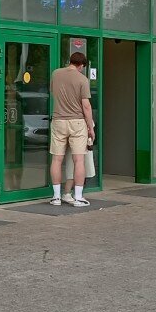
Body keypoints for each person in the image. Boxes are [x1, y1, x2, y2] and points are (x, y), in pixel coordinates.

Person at [48, 51, 94, 207]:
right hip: (77, 122)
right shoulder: (82, 79)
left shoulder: (56, 74)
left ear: (70, 61)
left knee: (56, 159)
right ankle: (78, 197)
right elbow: (86, 106)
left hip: (58, 120)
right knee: (78, 160)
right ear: (81, 65)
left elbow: (54, 93)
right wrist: (90, 128)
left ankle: (56, 197)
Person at [62, 135, 95, 205]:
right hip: (80, 137)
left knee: (74, 166)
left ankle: (70, 194)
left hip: (76, 138)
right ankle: (75, 195)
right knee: (77, 165)